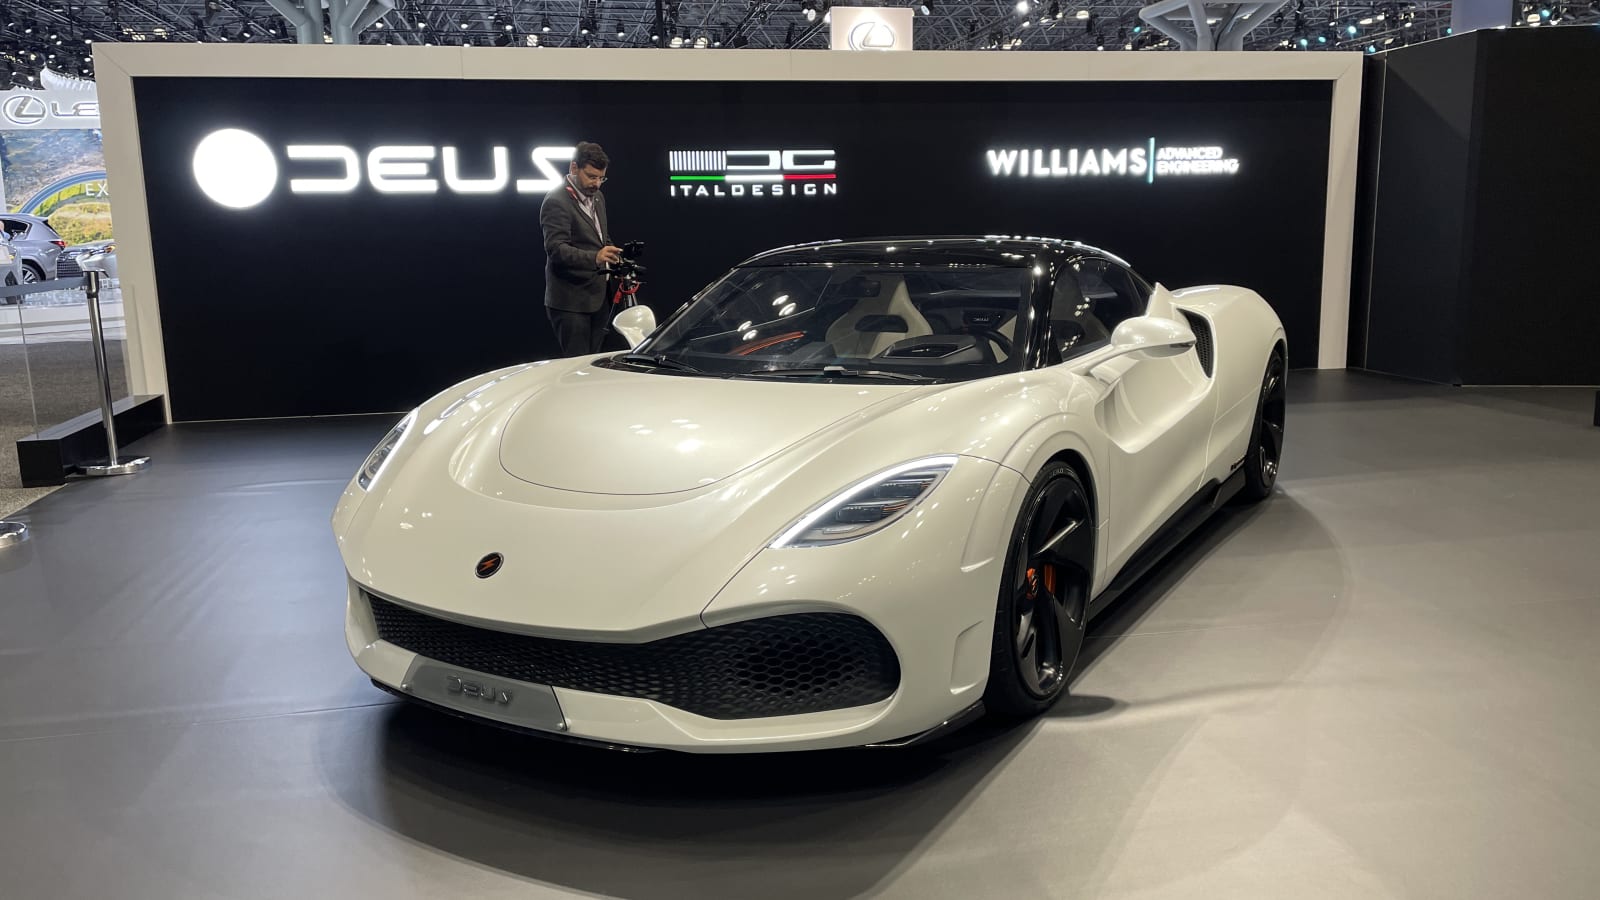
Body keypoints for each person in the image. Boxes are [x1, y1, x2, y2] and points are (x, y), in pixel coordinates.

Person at [540, 141, 624, 357]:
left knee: (596, 364)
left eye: (601, 178)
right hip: (571, 302)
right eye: (591, 176)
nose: (597, 183)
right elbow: (556, 249)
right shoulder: (556, 201)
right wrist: (596, 257)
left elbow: (600, 237)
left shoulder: (598, 197)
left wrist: (611, 252)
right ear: (574, 168)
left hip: (598, 297)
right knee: (578, 367)